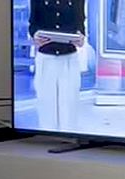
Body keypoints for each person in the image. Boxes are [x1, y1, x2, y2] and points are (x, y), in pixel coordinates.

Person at [29, 0, 87, 132]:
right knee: (46, 104)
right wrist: (35, 35)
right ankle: (48, 137)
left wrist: (80, 37)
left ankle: (69, 137)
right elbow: (33, 24)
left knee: (69, 104)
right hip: (46, 57)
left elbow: (80, 23)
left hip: (69, 58)